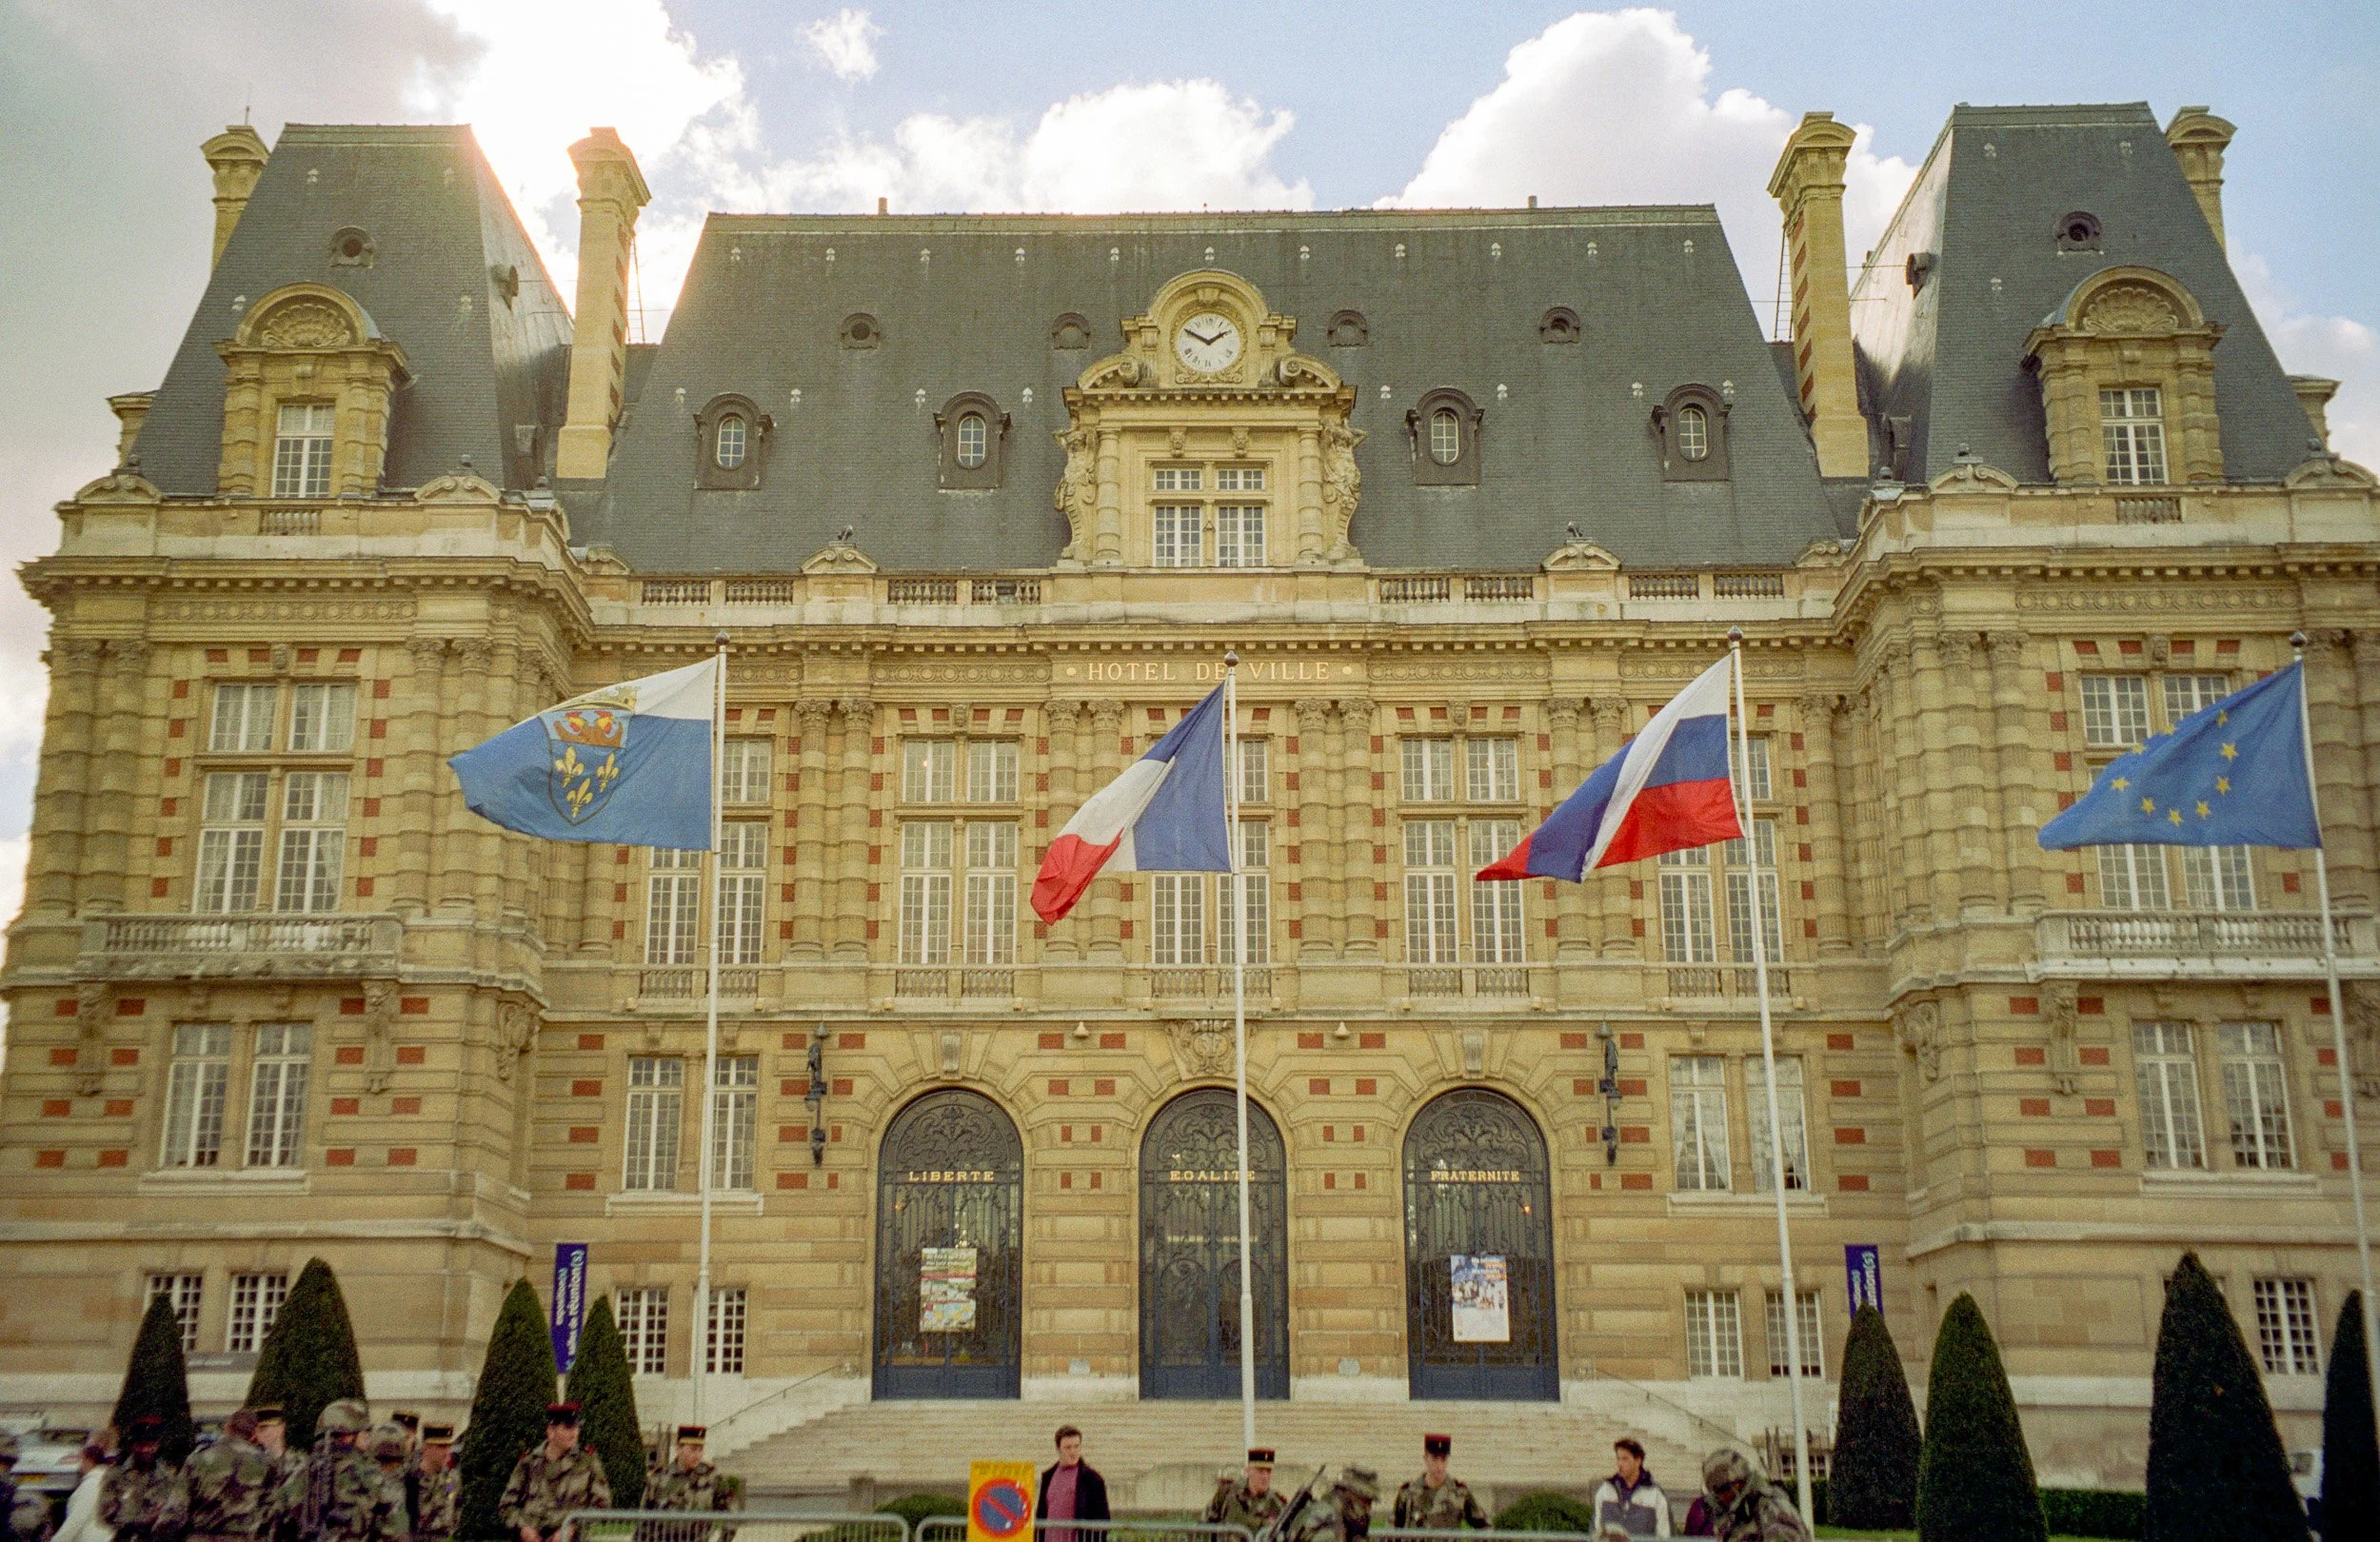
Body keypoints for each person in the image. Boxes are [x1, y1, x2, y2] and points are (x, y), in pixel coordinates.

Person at [498, 1405, 611, 1542]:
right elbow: (506, 1506)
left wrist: (572, 1528)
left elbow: (602, 1506)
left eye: (577, 1427)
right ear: (551, 1432)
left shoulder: (588, 1462)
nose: (574, 1433)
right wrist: (523, 1527)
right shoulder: (529, 1462)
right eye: (568, 1428)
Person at [287, 1399, 373, 1542]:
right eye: (363, 1432)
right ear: (348, 1436)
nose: (367, 1437)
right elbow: (395, 1530)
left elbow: (275, 1512)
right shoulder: (369, 1475)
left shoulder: (302, 1471)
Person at [185, 1409, 276, 1542]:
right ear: (253, 1435)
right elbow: (273, 1510)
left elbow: (174, 1512)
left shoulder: (196, 1460)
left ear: (228, 1428)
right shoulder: (267, 1463)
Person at [98, 1418, 186, 1542]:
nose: (145, 1450)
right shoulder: (116, 1476)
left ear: (156, 1446)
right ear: (133, 1446)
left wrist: (164, 1517)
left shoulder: (168, 1478)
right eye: (141, 1445)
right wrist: (144, 1521)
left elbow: (178, 1514)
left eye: (149, 1445)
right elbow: (105, 1515)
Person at [1695, 1450, 1807, 1542]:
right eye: (1715, 1493)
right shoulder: (1741, 1514)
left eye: (1721, 1490)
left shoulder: (1773, 1509)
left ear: (1737, 1484)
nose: (1719, 1497)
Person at [1391, 1436, 1487, 1531]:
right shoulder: (1408, 1493)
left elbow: (1485, 1527)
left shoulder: (1460, 1493)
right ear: (1425, 1459)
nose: (1439, 1466)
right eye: (1434, 1459)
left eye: (1443, 1459)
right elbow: (1390, 1531)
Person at [1034, 1425, 1109, 1542]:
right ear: (1058, 1449)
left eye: (1076, 1446)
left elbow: (1103, 1521)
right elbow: (1041, 1515)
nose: (1073, 1452)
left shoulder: (1092, 1480)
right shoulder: (1048, 1477)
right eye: (1068, 1448)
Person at [1590, 1440, 1671, 1538]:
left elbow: (1664, 1535)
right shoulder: (1605, 1491)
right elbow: (1595, 1530)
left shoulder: (1655, 1495)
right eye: (1618, 1459)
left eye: (1625, 1459)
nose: (1620, 1464)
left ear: (1638, 1461)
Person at [645, 1429, 731, 1515]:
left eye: (700, 1450)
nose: (698, 1455)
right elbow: (644, 1517)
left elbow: (729, 1515)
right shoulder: (658, 1477)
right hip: (666, 1529)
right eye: (693, 1449)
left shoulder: (712, 1476)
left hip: (699, 1529)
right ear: (678, 1449)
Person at [1285, 1468, 1376, 1542]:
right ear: (1350, 1496)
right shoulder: (1327, 1523)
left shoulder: (1341, 1517)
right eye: (1365, 1501)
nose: (1368, 1508)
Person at [1204, 1449, 1285, 1532]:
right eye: (1260, 1471)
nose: (1265, 1476)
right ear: (1248, 1471)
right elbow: (1207, 1526)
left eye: (1268, 1471)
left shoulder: (1276, 1504)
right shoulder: (1227, 1494)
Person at [50, 1444, 111, 1542]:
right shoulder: (105, 1481)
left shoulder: (91, 1483)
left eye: (81, 1460)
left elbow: (76, 1518)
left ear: (89, 1460)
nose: (79, 1465)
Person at [407, 1427, 458, 1542]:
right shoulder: (410, 1479)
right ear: (426, 1448)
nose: (447, 1452)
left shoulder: (451, 1478)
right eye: (442, 1447)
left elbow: (456, 1503)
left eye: (449, 1446)